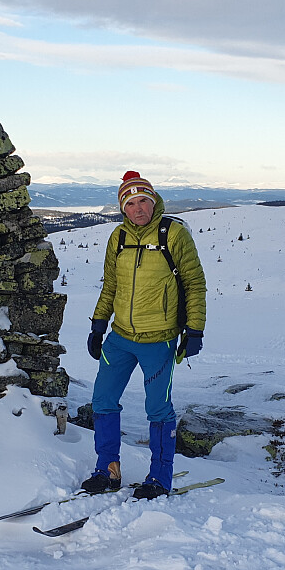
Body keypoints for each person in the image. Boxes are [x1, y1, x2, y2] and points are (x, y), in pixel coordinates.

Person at [83, 171, 207, 499]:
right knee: (103, 400)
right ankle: (108, 469)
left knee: (158, 408)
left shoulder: (173, 234)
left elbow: (194, 283)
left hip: (159, 339)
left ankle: (160, 477)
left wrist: (194, 329)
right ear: (123, 208)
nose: (138, 209)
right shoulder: (118, 237)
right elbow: (110, 285)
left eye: (143, 201)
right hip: (120, 337)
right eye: (131, 203)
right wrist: (98, 325)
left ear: (154, 202)